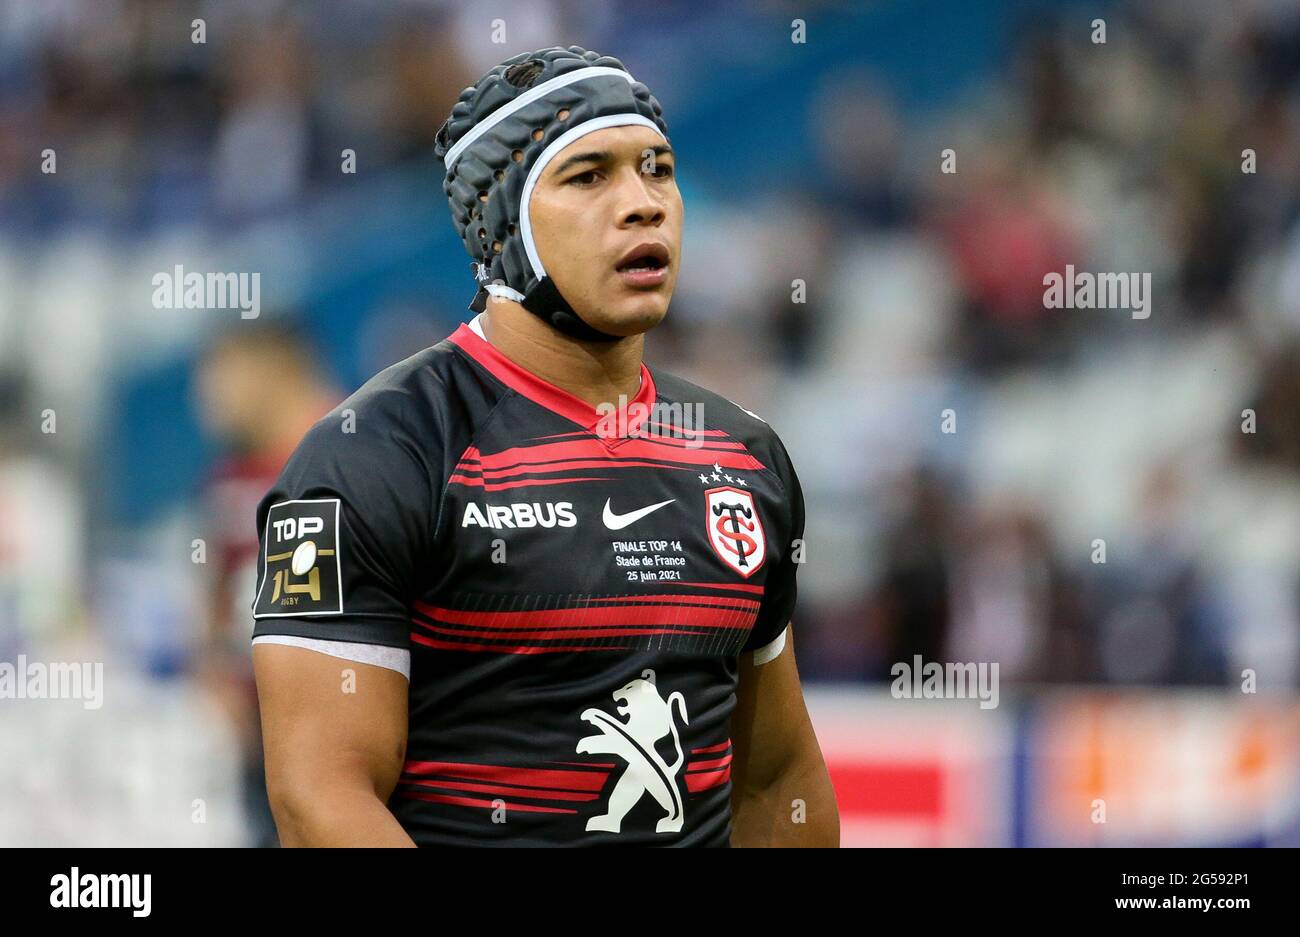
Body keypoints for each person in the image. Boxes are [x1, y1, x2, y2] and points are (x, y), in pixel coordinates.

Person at [251, 46, 837, 846]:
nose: (644, 204)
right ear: (503, 224)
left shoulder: (744, 456)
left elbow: (776, 778)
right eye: (589, 175)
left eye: (657, 169)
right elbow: (321, 799)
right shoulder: (374, 456)